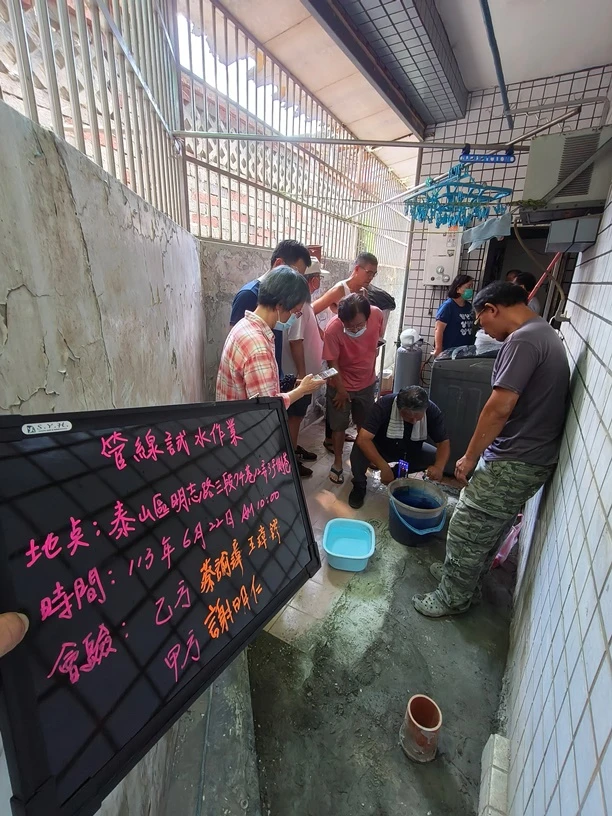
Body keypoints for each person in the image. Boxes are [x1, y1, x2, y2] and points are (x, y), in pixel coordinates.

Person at [413, 281, 569, 618]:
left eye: (482, 322)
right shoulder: (543, 332)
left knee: (467, 527)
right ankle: (465, 585)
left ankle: (451, 597)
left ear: (492, 309)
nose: (485, 331)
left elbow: (498, 408)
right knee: (487, 528)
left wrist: (469, 457)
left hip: (514, 460)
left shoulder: (524, 340)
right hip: (528, 457)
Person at [217, 267, 320, 411]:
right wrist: (302, 390)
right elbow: (268, 409)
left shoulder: (244, 326)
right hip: (249, 430)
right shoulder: (258, 347)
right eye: (296, 312)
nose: (294, 318)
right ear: (280, 305)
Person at [313, 252, 379, 452]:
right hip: (337, 353)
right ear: (357, 269)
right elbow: (311, 310)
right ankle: (330, 439)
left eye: (374, 274)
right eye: (368, 273)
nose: (370, 278)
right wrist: (323, 335)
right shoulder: (339, 289)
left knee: (354, 408)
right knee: (337, 399)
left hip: (354, 357)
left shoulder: (363, 295)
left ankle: (340, 437)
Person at [348, 386, 450, 509]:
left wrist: (439, 467)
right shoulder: (384, 405)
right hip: (382, 447)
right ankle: (359, 485)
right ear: (399, 408)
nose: (413, 421)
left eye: (418, 418)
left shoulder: (432, 411)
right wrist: (383, 466)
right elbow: (364, 439)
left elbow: (443, 443)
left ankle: (396, 473)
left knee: (435, 457)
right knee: (359, 448)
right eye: (408, 417)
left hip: (411, 450)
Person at [322, 293, 384, 485]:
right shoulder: (333, 330)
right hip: (340, 384)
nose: (355, 329)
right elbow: (332, 364)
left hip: (366, 383)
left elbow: (378, 339)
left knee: (364, 426)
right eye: (350, 327)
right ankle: (339, 462)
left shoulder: (377, 315)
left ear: (367, 316)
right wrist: (341, 390)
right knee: (338, 426)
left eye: (359, 325)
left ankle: (366, 457)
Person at [229, 239, 312, 375]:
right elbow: (239, 348)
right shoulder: (248, 295)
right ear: (278, 264)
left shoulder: (283, 298)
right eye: (294, 273)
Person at [282, 259, 329, 477]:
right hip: (298, 376)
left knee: (297, 418)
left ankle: (294, 447)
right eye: (319, 277)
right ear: (311, 280)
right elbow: (295, 341)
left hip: (304, 374)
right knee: (294, 417)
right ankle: (290, 459)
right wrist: (302, 376)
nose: (320, 281)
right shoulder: (298, 307)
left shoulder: (306, 305)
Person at [434, 274, 475, 357]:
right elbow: (438, 329)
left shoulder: (469, 306)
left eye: (472, 287)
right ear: (458, 289)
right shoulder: (448, 306)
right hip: (449, 352)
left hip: (465, 351)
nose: (471, 290)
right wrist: (438, 349)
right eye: (468, 286)